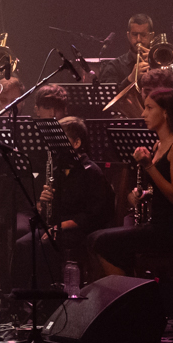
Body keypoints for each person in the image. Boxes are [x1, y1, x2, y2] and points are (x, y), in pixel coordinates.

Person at [88, 88, 173, 276]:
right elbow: (161, 189)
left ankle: (128, 291)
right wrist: (143, 194)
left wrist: (148, 166)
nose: (143, 114)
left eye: (149, 108)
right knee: (93, 239)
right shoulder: (158, 145)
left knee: (100, 242)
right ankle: (126, 286)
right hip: (156, 225)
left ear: (165, 112)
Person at [16, 115, 114, 287]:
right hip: (57, 226)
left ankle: (49, 295)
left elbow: (94, 215)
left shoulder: (91, 171)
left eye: (59, 140)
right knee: (22, 245)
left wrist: (61, 225)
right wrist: (45, 203)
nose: (54, 146)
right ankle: (22, 295)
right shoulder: (58, 169)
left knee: (46, 245)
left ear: (76, 143)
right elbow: (52, 212)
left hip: (79, 230)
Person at [93, 14, 157, 85]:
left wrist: (155, 66)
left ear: (151, 36)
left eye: (143, 35)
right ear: (128, 36)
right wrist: (130, 79)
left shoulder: (160, 63)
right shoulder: (114, 66)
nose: (138, 39)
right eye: (134, 34)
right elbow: (111, 92)